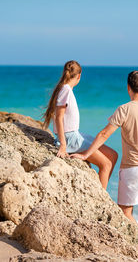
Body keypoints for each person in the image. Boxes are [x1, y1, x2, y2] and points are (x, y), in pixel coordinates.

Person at [71, 70, 138, 260]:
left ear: (128, 87)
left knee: (125, 210)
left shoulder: (124, 109)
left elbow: (105, 134)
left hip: (133, 168)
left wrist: (86, 154)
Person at [43, 60, 118, 189]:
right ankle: (100, 200)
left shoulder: (65, 89)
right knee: (106, 164)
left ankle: (101, 190)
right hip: (70, 139)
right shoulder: (65, 90)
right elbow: (59, 118)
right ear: (79, 76)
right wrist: (63, 145)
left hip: (76, 134)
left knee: (113, 155)